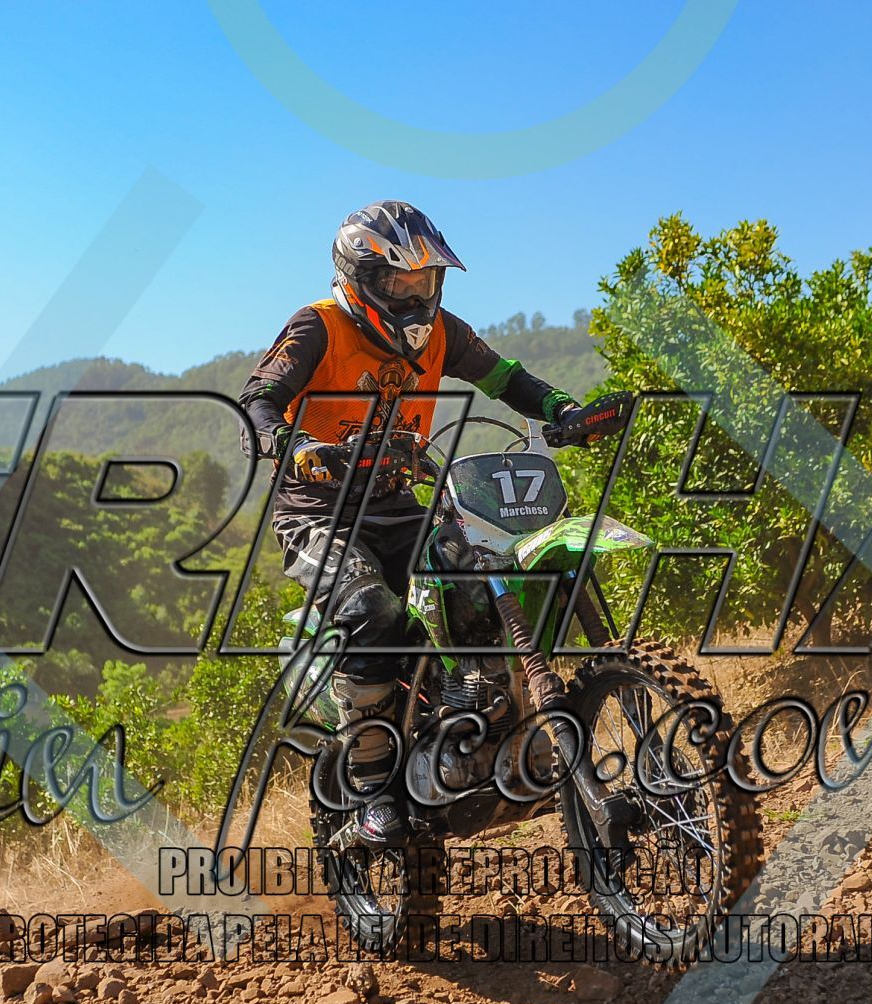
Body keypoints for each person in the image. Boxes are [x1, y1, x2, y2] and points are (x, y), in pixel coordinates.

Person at [238, 199, 631, 846]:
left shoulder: (443, 330)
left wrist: (563, 409)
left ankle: (473, 721)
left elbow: (505, 378)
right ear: (362, 278)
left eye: (425, 280)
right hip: (318, 511)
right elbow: (258, 401)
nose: (416, 295)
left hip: (398, 501)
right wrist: (296, 445)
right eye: (399, 281)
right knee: (371, 611)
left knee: (475, 580)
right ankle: (372, 789)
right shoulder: (318, 326)